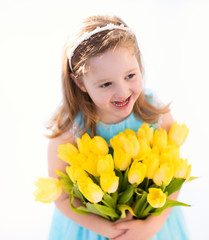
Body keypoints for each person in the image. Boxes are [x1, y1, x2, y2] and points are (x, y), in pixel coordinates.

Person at [47, 15, 189, 240]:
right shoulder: (71, 128)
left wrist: (153, 225)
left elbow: (175, 176)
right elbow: (62, 196)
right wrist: (107, 230)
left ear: (139, 65)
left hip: (154, 226)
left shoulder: (155, 113)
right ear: (80, 83)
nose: (122, 92)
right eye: (106, 84)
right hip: (93, 230)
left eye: (130, 75)